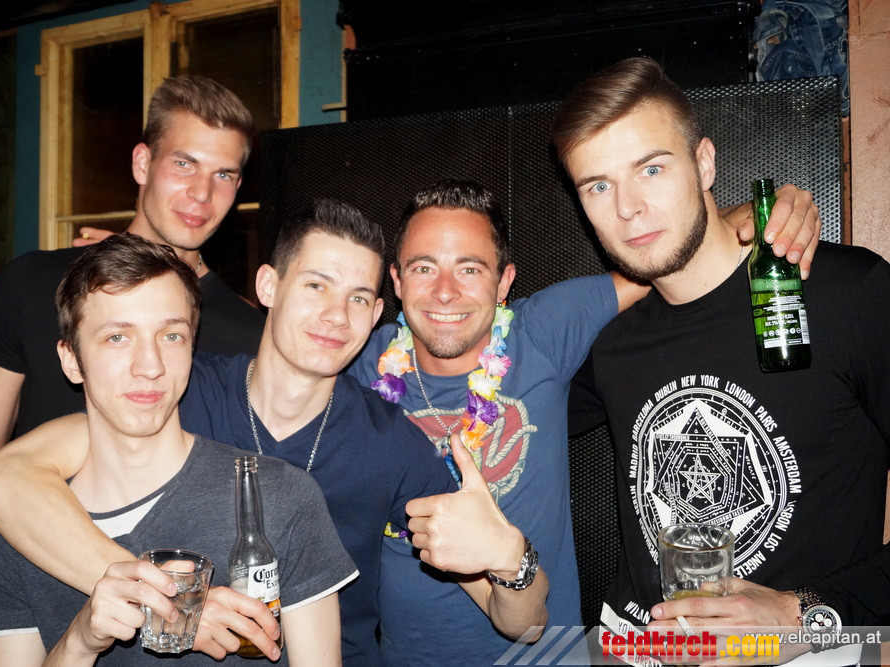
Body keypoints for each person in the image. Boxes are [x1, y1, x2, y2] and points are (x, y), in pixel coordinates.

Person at [0, 200, 549, 666]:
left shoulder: (389, 440)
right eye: (316, 285)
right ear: (268, 286)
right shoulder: (174, 387)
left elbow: (522, 623)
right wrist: (167, 603)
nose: (336, 315)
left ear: (376, 315)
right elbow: (2, 480)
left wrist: (513, 558)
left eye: (358, 298)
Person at [343, 177, 820, 665]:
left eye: (469, 268)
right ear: (396, 281)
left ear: (504, 283)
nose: (445, 292)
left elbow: (663, 256)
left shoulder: (543, 330)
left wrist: (765, 215)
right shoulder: (357, 365)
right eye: (424, 268)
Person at [554, 57, 890, 662]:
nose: (628, 208)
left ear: (705, 163)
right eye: (598, 186)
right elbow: (495, 406)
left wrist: (803, 614)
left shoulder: (846, 295)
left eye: (652, 169)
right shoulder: (608, 344)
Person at [0, 74, 266, 654]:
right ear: (142, 163)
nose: (201, 194)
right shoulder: (36, 281)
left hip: (176, 621)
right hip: (31, 596)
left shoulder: (247, 333)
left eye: (224, 175)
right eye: (184, 164)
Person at [0, 233, 355, 665]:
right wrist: (79, 643)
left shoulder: (280, 498)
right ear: (72, 361)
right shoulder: (12, 530)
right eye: (118, 337)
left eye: (171, 336)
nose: (150, 366)